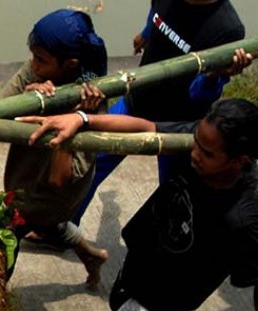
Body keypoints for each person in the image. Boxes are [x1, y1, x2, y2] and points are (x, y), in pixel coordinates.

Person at [14, 99, 258, 311]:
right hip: (146, 251)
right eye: (196, 142)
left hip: (166, 294)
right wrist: (82, 120)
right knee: (117, 300)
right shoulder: (203, 142)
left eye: (207, 153)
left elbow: (247, 274)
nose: (194, 153)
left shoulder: (246, 219)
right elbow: (147, 128)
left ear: (240, 161)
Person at [72, 0, 248, 226]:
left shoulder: (227, 28)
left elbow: (199, 95)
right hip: (137, 101)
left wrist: (214, 75)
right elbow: (156, 11)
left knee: (173, 195)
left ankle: (165, 253)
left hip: (175, 124)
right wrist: (146, 33)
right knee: (90, 166)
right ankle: (64, 230)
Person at [0, 8, 109, 288]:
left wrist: (70, 114)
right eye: (33, 55)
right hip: (24, 172)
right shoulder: (36, 67)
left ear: (69, 65)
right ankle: (91, 256)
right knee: (49, 226)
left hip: (52, 192)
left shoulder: (92, 100)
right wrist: (25, 98)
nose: (33, 64)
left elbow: (60, 178)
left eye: (41, 59)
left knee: (5, 237)